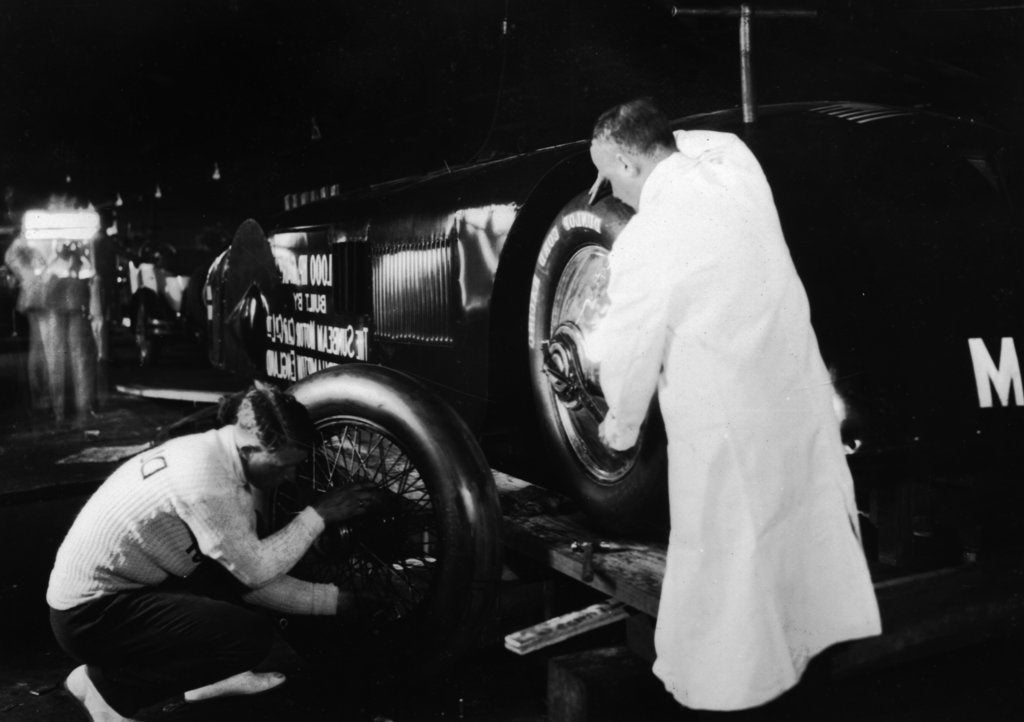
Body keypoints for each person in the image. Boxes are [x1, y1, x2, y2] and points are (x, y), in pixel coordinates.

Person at [586, 98, 881, 711]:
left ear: (624, 160)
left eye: (610, 177)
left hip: (725, 427)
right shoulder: (736, 166)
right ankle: (810, 667)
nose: (613, 194)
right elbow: (691, 139)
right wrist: (649, 135)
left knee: (733, 576)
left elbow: (629, 354)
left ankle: (733, 692)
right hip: (794, 405)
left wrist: (617, 428)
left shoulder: (643, 242)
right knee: (802, 548)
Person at [47, 382, 385, 721]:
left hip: (119, 591)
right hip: (90, 615)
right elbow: (255, 574)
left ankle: (204, 678)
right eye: (283, 465)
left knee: (229, 579)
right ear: (252, 448)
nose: (290, 475)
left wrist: (333, 601)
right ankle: (107, 690)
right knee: (246, 639)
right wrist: (319, 516)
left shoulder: (215, 450)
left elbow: (240, 581)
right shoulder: (210, 484)